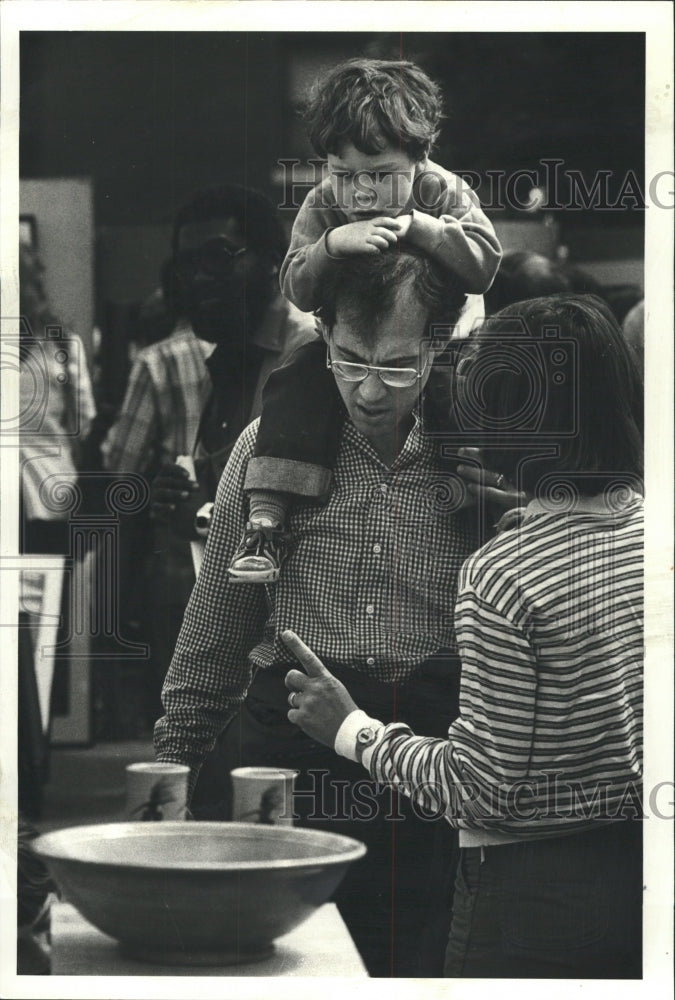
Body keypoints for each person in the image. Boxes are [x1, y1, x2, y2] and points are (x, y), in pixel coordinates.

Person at [155, 249, 523, 976]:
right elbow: (216, 629)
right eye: (349, 361)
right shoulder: (267, 455)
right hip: (288, 753)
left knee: (413, 960)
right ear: (321, 335)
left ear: (439, 344)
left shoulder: (485, 461)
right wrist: (170, 775)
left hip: (429, 755)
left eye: (396, 365)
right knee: (278, 961)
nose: (369, 391)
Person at [282, 293, 644, 979]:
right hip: (646, 879)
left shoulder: (500, 578)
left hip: (527, 899)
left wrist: (350, 728)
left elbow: (481, 789)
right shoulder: (652, 536)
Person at [228, 58, 502, 584]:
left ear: (420, 158)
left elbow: (485, 266)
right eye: (345, 174)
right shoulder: (324, 202)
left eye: (380, 176)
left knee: (468, 399)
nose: (361, 194)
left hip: (438, 342)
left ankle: (485, 520)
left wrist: (421, 228)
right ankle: (266, 516)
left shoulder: (442, 190)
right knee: (295, 378)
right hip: (350, 340)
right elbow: (295, 286)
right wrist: (331, 245)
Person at [145, 184, 316, 712]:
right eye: (184, 266)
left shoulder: (307, 351)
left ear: (272, 262)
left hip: (295, 651)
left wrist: (198, 512)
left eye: (218, 258)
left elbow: (314, 514)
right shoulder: (232, 354)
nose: (197, 280)